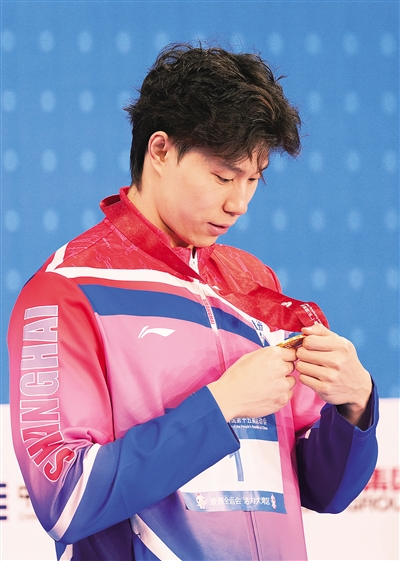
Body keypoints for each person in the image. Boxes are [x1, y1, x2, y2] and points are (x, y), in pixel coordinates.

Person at [8, 43, 378, 561]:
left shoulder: (258, 284)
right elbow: (65, 498)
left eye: (254, 179)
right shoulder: (67, 290)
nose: (239, 202)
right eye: (223, 177)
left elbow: (324, 491)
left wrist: (355, 405)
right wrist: (221, 405)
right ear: (160, 150)